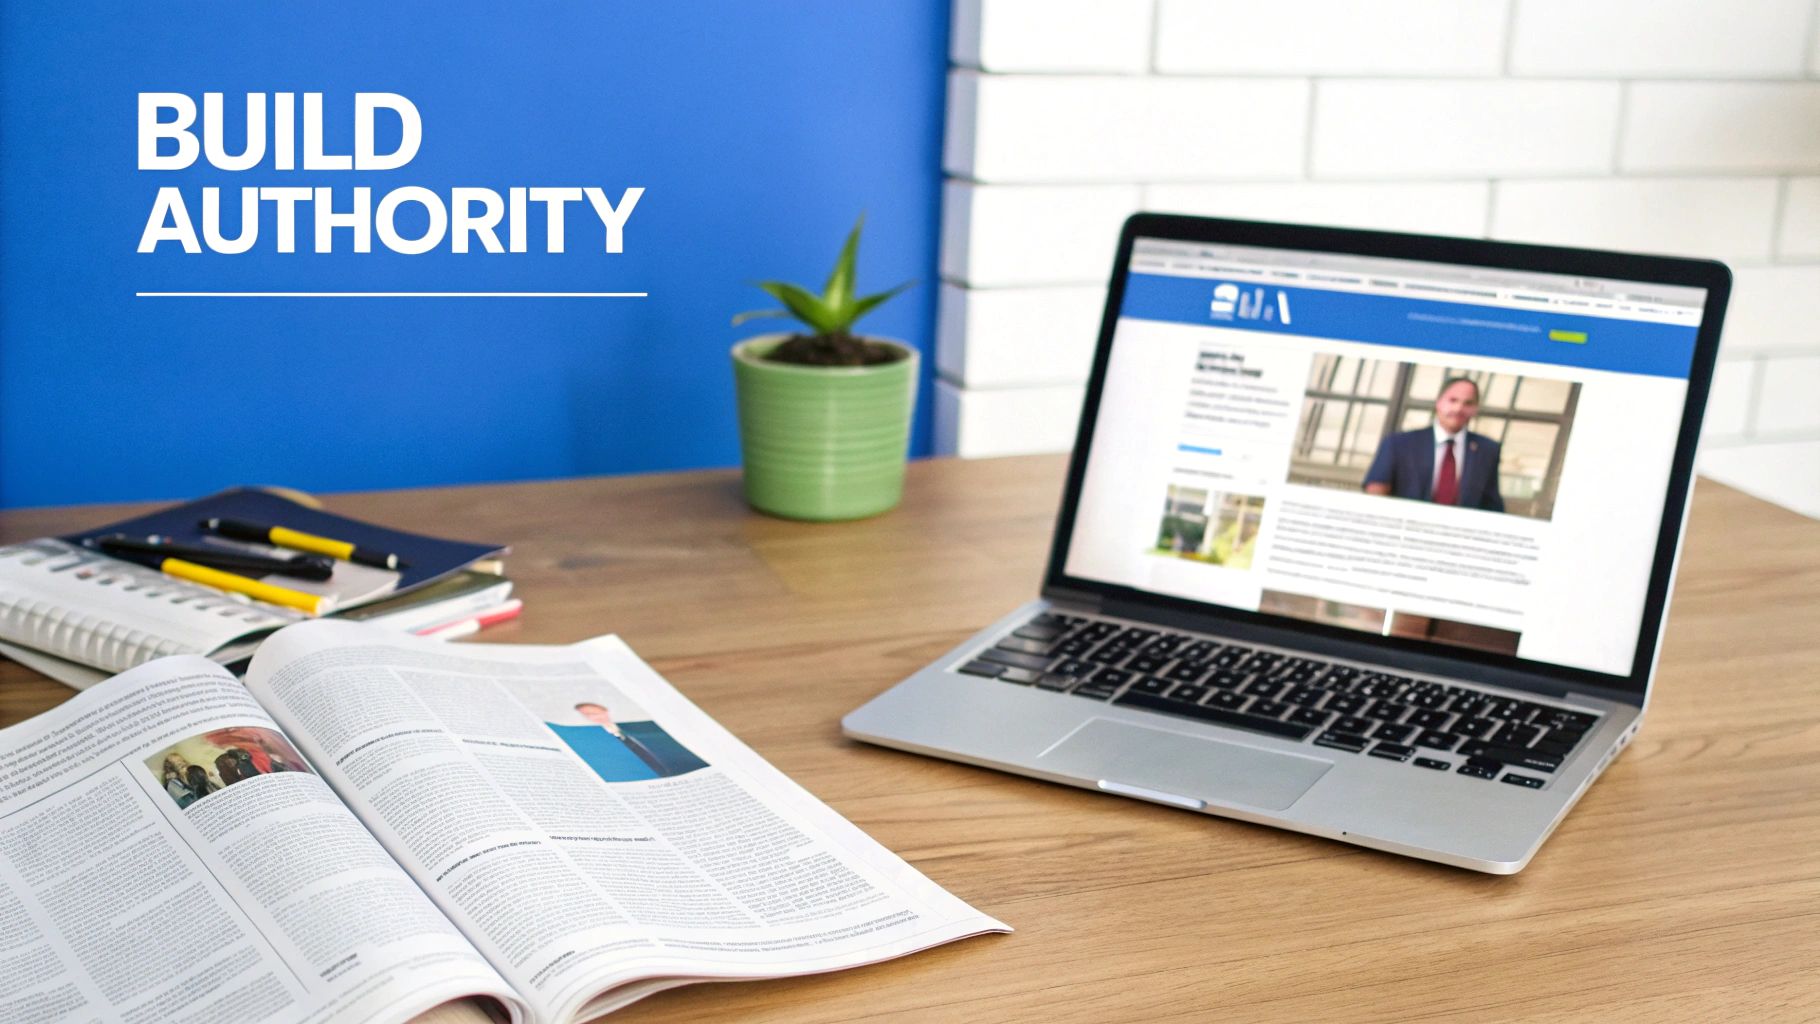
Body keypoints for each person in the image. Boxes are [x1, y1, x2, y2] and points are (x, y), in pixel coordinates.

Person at [1362, 377, 1505, 512]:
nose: (1458, 408)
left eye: (1468, 403)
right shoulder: (1398, 443)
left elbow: (1492, 504)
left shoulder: (1488, 450)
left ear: (1475, 409)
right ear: (1439, 403)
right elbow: (1376, 489)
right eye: (1452, 400)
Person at [548, 701, 707, 782]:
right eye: (587, 715)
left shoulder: (643, 729)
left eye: (594, 713)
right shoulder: (594, 742)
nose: (593, 718)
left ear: (605, 711)